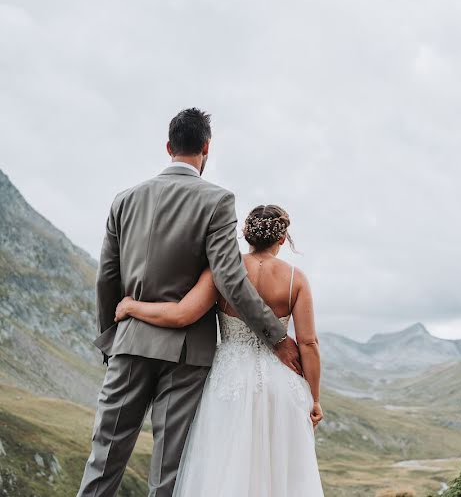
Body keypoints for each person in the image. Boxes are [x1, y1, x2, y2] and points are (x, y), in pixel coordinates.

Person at [79, 108, 303, 497]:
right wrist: (277, 337)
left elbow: (107, 278)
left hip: (129, 343)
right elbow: (230, 279)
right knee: (168, 471)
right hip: (185, 356)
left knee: (104, 460)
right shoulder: (217, 201)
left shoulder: (124, 200)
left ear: (168, 147)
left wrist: (112, 339)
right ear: (206, 148)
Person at [114, 205, 324, 496]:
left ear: (245, 235)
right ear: (282, 239)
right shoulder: (295, 279)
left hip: (229, 380)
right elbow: (309, 343)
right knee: (280, 476)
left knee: (222, 467)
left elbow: (181, 314)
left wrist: (131, 306)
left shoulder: (224, 270)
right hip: (280, 384)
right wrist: (314, 399)